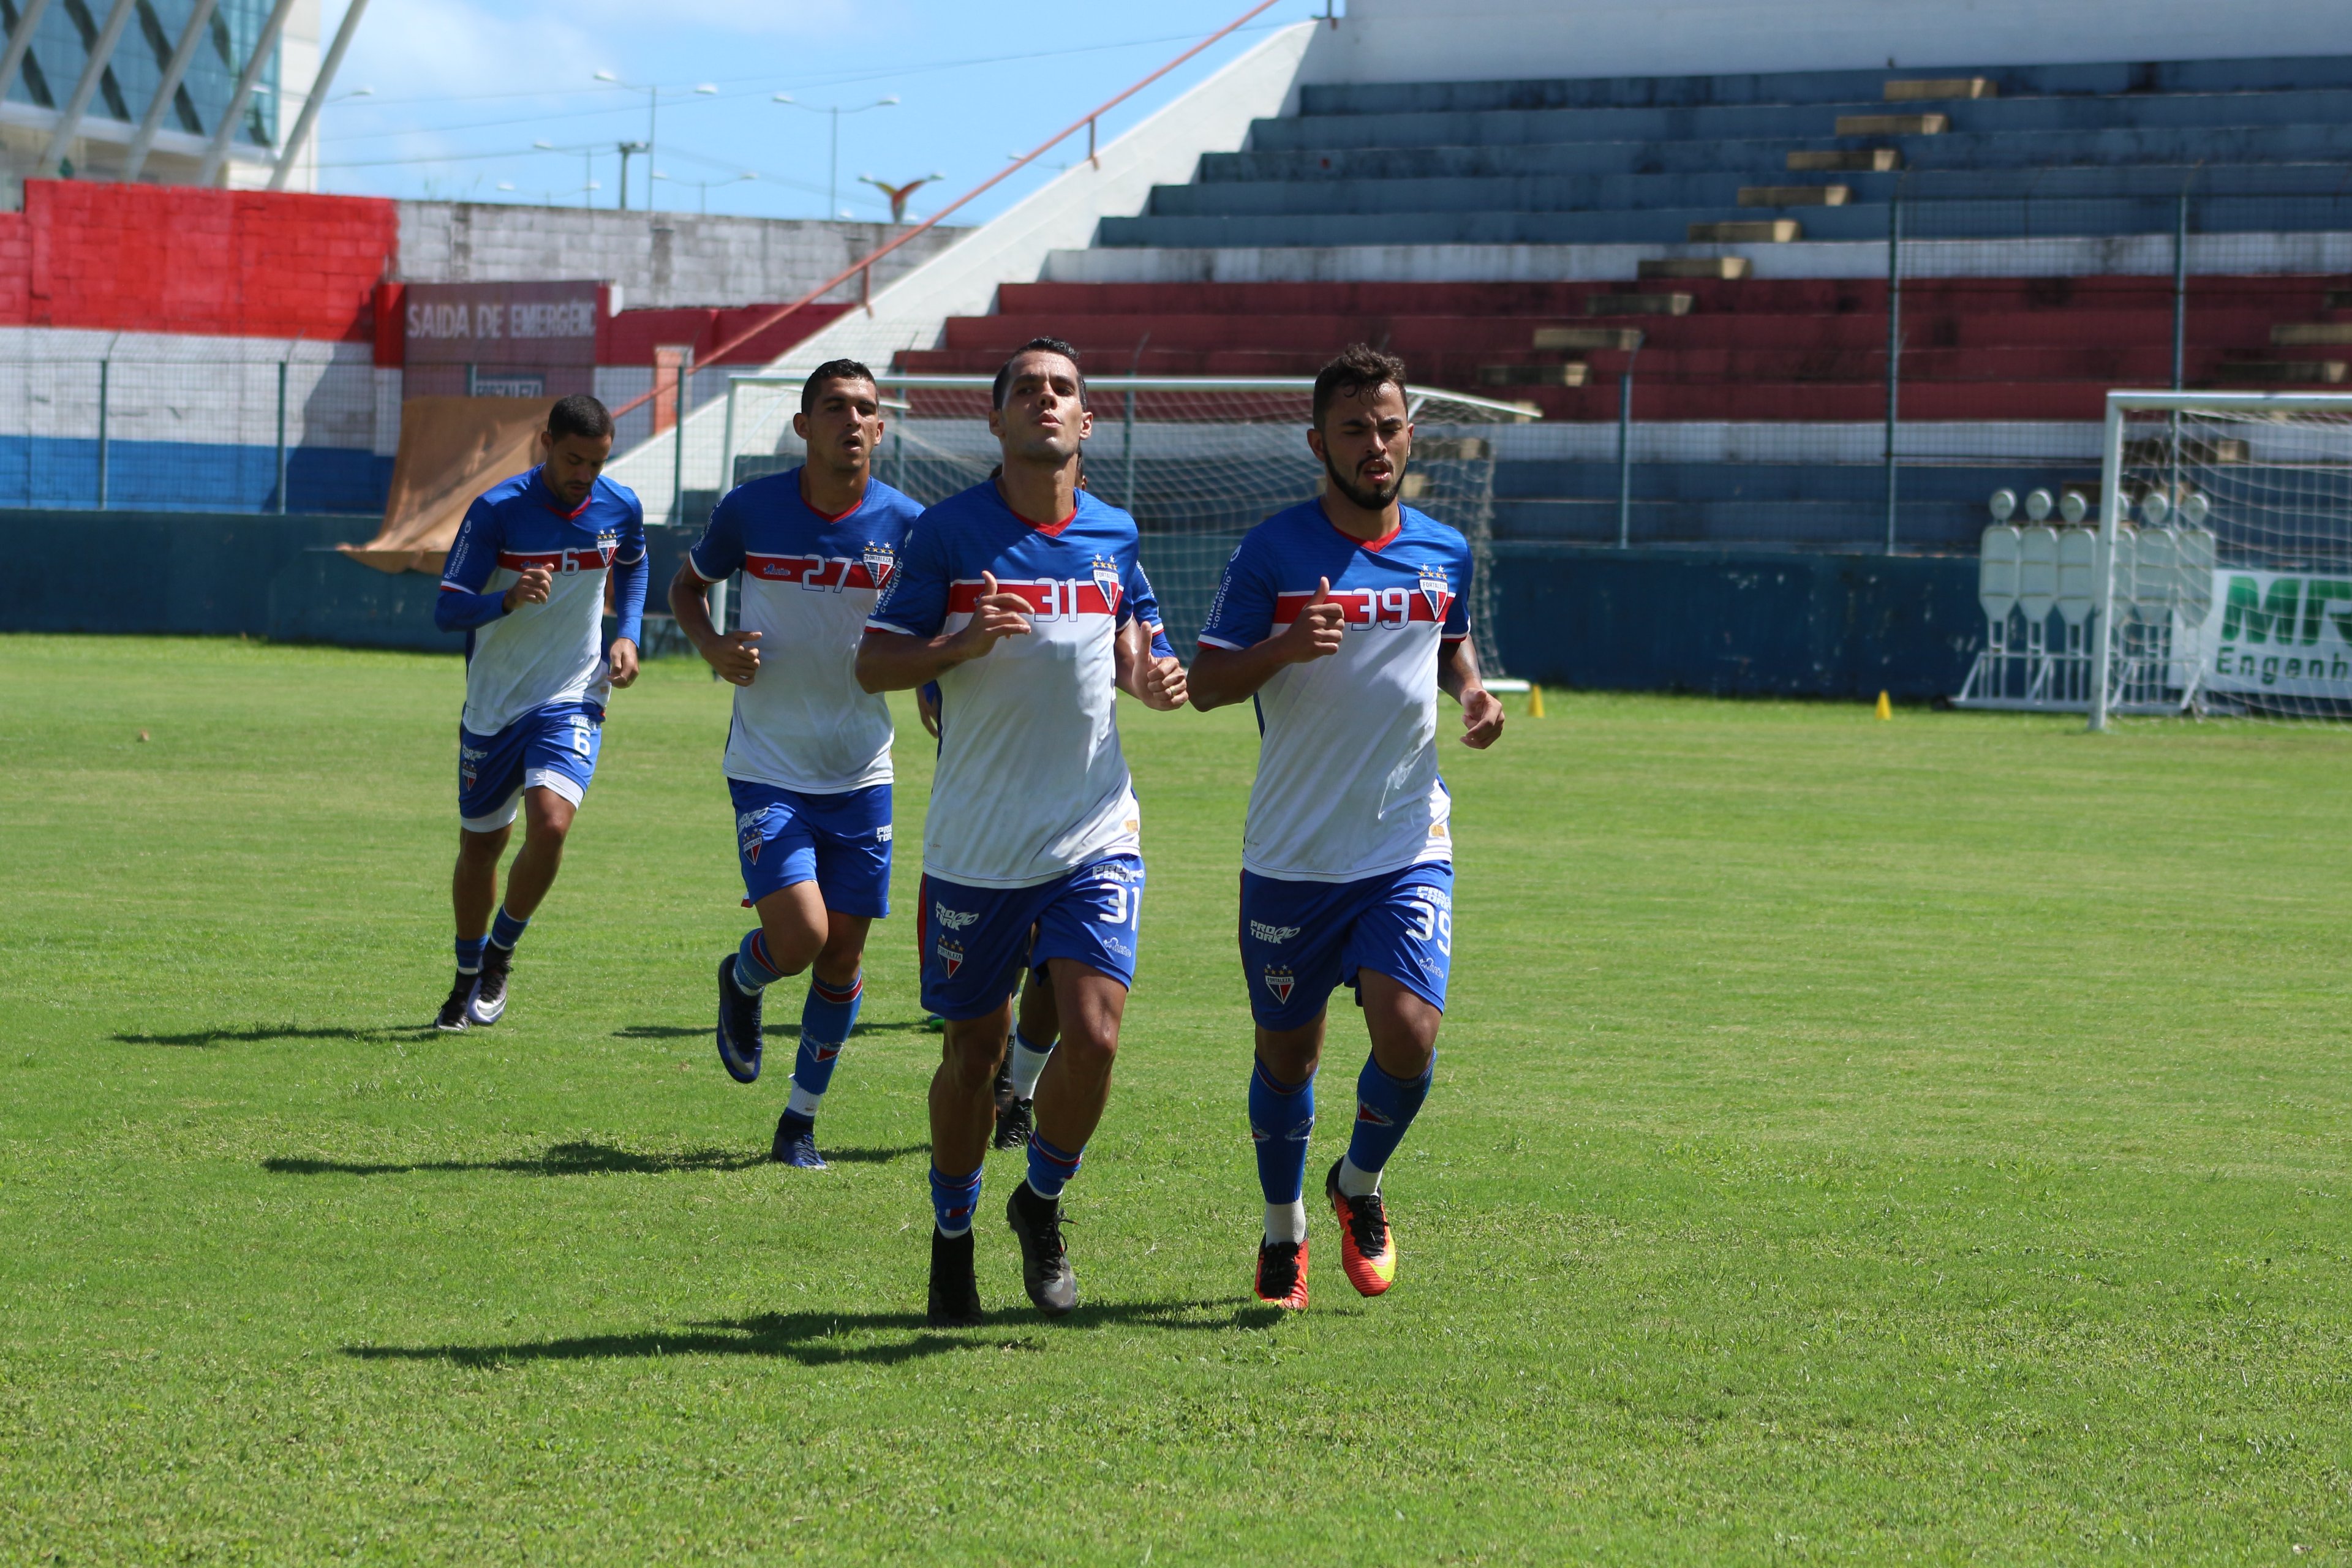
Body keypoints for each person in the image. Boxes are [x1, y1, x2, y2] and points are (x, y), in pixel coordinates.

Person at [857, 338, 1187, 1325]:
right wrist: (960, 644)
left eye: (1064, 391)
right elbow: (875, 665)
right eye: (1027, 391)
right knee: (971, 1055)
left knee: (1093, 1036)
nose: (1047, 401)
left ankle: (1038, 1203)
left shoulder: (1115, 533)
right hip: (976, 847)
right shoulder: (950, 536)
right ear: (996, 421)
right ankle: (951, 1229)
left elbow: (1137, 638)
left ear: (1087, 423)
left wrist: (1152, 676)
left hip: (1094, 831)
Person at [1189, 345, 1506, 1310]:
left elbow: (1446, 635)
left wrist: (1475, 690)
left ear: (1412, 432)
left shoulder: (1443, 547)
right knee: (1291, 1058)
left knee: (1409, 1034)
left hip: (1405, 843)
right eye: (1357, 429)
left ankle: (1358, 1186)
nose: (1377, 445)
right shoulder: (1272, 553)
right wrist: (1285, 646)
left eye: (1391, 425)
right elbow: (1204, 685)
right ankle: (1282, 1232)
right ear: (1318, 441)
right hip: (1291, 853)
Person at [669, 360, 924, 1169]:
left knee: (844, 955)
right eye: (837, 408)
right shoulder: (753, 510)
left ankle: (798, 1123)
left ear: (881, 430)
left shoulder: (910, 527)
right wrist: (712, 645)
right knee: (804, 935)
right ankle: (744, 979)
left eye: (867, 410)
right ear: (804, 426)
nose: (854, 421)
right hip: (769, 764)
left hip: (862, 769)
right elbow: (687, 586)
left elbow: (928, 632)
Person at [432, 394, 646, 1033]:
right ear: (545, 441)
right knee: (482, 846)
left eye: (598, 462)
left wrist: (627, 633)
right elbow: (447, 608)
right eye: (575, 459)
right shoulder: (497, 510)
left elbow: (634, 564)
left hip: (573, 691)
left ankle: (501, 954)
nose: (585, 474)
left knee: (550, 825)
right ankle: (466, 973)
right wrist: (506, 600)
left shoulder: (620, 506)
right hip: (496, 702)